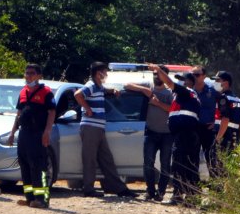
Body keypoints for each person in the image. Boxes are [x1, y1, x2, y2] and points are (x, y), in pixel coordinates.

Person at [73, 62, 136, 198]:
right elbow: (78, 95)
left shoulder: (98, 87)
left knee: (106, 158)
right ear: (98, 73)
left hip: (99, 128)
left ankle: (118, 188)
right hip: (90, 126)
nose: (106, 74)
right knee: (89, 159)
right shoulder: (90, 85)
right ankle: (88, 189)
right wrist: (88, 109)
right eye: (104, 72)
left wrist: (112, 90)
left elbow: (104, 90)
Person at [150, 64, 201, 205]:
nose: (181, 82)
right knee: (187, 166)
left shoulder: (186, 92)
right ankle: (190, 197)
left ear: (190, 83)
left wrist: (159, 71)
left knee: (180, 165)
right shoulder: (184, 96)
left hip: (185, 134)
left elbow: (170, 83)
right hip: (186, 134)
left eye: (183, 80)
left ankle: (179, 196)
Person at [9, 63, 55, 208]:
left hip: (38, 134)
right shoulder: (23, 92)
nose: (28, 76)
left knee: (39, 167)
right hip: (24, 133)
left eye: (32, 73)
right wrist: (12, 133)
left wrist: (47, 132)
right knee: (25, 165)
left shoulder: (46, 92)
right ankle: (29, 198)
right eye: (27, 73)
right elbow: (19, 114)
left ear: (39, 76)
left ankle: (42, 199)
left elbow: (52, 112)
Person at [125, 67, 174, 202]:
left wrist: (158, 103)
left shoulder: (171, 91)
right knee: (148, 163)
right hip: (150, 132)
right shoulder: (148, 86)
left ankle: (161, 192)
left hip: (167, 134)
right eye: (154, 74)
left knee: (165, 164)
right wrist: (143, 90)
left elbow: (172, 109)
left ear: (164, 76)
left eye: (158, 74)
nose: (155, 77)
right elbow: (126, 85)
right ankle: (150, 191)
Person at [191, 67, 221, 176]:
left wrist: (216, 122)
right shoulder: (188, 91)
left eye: (197, 74)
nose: (194, 77)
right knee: (192, 158)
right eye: (193, 74)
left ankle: (216, 188)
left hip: (208, 129)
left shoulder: (212, 91)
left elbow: (225, 106)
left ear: (204, 76)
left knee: (211, 158)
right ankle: (193, 187)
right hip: (192, 129)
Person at [213, 71, 240, 162]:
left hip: (224, 137)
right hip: (235, 137)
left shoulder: (223, 98)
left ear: (225, 83)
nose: (215, 82)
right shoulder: (238, 100)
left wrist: (218, 139)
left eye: (218, 80)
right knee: (231, 164)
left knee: (219, 165)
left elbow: (225, 119)